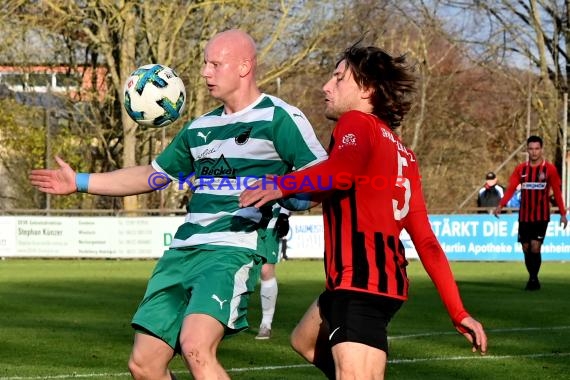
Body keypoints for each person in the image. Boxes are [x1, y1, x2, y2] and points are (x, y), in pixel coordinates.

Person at [29, 29, 327, 380]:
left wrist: (281, 189)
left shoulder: (279, 118)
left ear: (245, 66)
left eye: (216, 64)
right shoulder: (200, 128)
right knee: (144, 365)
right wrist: (80, 181)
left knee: (196, 348)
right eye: (205, 63)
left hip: (232, 249)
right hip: (182, 250)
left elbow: (323, 177)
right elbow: (152, 176)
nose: (205, 72)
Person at [239, 43, 487, 379]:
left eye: (339, 78)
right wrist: (458, 312)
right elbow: (426, 242)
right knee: (305, 340)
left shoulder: (357, 122)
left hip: (361, 283)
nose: (327, 86)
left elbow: (342, 172)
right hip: (378, 282)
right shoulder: (405, 154)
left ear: (367, 88)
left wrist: (282, 184)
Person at [493, 135, 567, 291]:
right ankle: (532, 277)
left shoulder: (550, 169)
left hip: (541, 216)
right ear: (527, 150)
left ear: (541, 149)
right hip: (524, 216)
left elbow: (558, 193)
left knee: (535, 247)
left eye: (537, 149)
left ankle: (533, 278)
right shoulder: (521, 170)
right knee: (526, 247)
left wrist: (562, 213)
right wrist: (501, 205)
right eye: (531, 149)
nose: (534, 152)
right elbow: (511, 188)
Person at [256, 206, 290, 340]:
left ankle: (266, 324)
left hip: (270, 221)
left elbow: (288, 190)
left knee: (266, 270)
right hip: (244, 221)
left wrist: (284, 214)